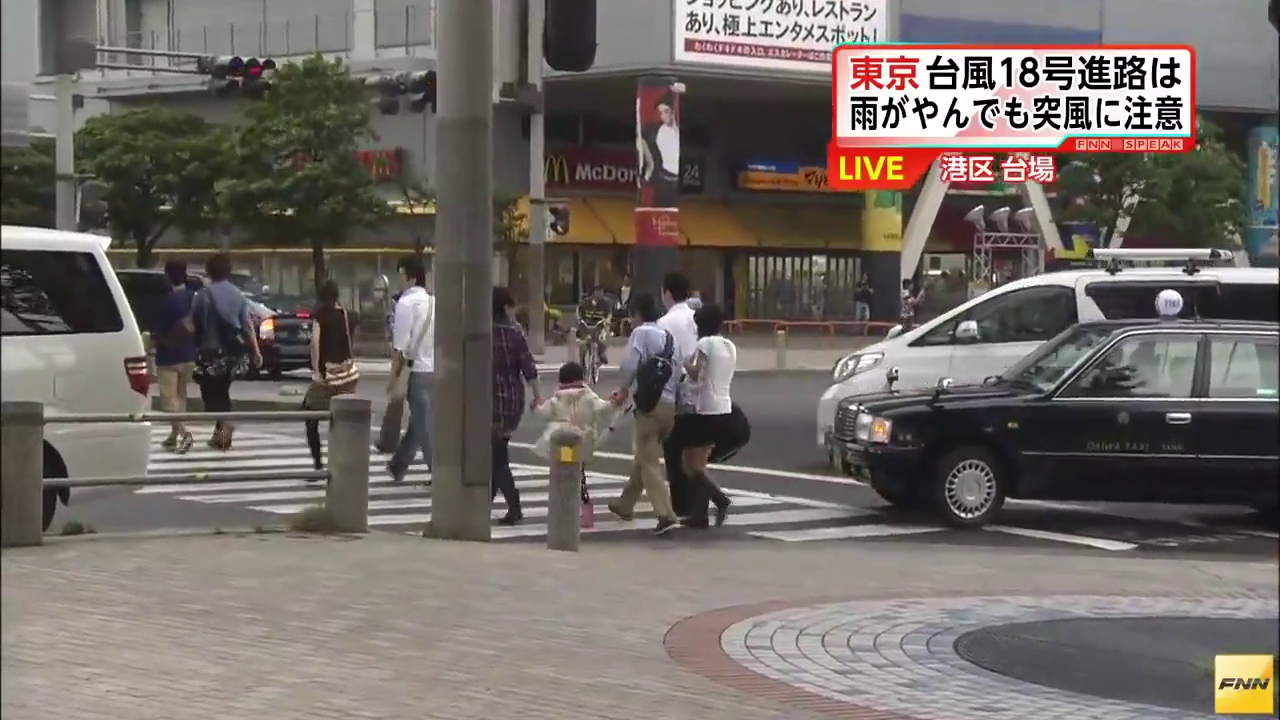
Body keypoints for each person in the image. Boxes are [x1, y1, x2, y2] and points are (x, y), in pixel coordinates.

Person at [606, 292, 680, 535]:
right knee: (644, 457)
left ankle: (665, 514)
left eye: (631, 316)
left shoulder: (641, 333)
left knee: (649, 462)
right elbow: (678, 372)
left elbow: (629, 365)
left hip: (650, 406)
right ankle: (625, 505)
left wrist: (623, 390)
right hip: (669, 407)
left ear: (637, 314)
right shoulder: (669, 337)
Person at [191, 253, 262, 450]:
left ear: (209, 271)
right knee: (223, 389)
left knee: (210, 391)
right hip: (233, 351)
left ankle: (225, 424)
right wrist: (255, 351)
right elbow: (247, 326)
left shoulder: (203, 295)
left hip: (211, 351)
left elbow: (196, 322)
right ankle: (221, 434)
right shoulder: (238, 294)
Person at [532, 361, 619, 509]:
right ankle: (581, 494)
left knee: (562, 466)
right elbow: (603, 408)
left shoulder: (557, 398)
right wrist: (613, 402)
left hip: (560, 439)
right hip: (581, 440)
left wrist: (535, 406)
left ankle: (563, 493)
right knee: (578, 466)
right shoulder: (588, 396)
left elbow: (544, 413)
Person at [679, 303, 736, 526]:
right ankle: (700, 513)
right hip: (723, 408)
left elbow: (697, 373)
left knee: (691, 463)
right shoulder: (729, 345)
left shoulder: (705, 343)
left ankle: (719, 500)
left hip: (705, 409)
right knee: (697, 462)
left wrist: (685, 362)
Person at [492, 286, 542, 524]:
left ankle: (514, 506)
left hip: (488, 401)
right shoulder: (515, 332)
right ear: (505, 307)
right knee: (495, 452)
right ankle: (488, 501)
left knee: (496, 457)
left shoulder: (482, 331)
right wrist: (537, 396)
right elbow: (529, 368)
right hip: (512, 401)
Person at [386, 255, 436, 482]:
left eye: (401, 275)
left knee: (424, 425)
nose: (400, 281)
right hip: (435, 369)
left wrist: (393, 377)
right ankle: (398, 465)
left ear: (411, 277)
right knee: (420, 421)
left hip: (416, 370)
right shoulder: (434, 302)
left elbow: (400, 347)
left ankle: (437, 471)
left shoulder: (405, 304)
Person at [303, 280, 359, 472]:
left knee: (310, 415)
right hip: (347, 376)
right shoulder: (347, 315)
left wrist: (317, 370)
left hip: (327, 377)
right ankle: (345, 461)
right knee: (342, 418)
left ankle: (318, 462)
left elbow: (314, 344)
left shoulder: (320, 316)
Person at [154, 259, 198, 454]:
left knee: (168, 400)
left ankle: (184, 433)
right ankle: (173, 436)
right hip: (188, 354)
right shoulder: (193, 297)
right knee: (181, 397)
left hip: (169, 356)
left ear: (168, 276)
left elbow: (159, 331)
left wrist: (155, 340)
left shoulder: (168, 301)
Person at [576, 285, 613, 366]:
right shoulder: (586, 302)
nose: (599, 294)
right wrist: (579, 319)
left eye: (601, 292)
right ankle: (582, 362)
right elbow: (578, 310)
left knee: (602, 340)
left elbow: (609, 314)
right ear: (594, 293)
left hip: (600, 325)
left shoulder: (606, 303)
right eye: (598, 292)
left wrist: (607, 320)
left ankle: (602, 354)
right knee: (583, 343)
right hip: (587, 325)